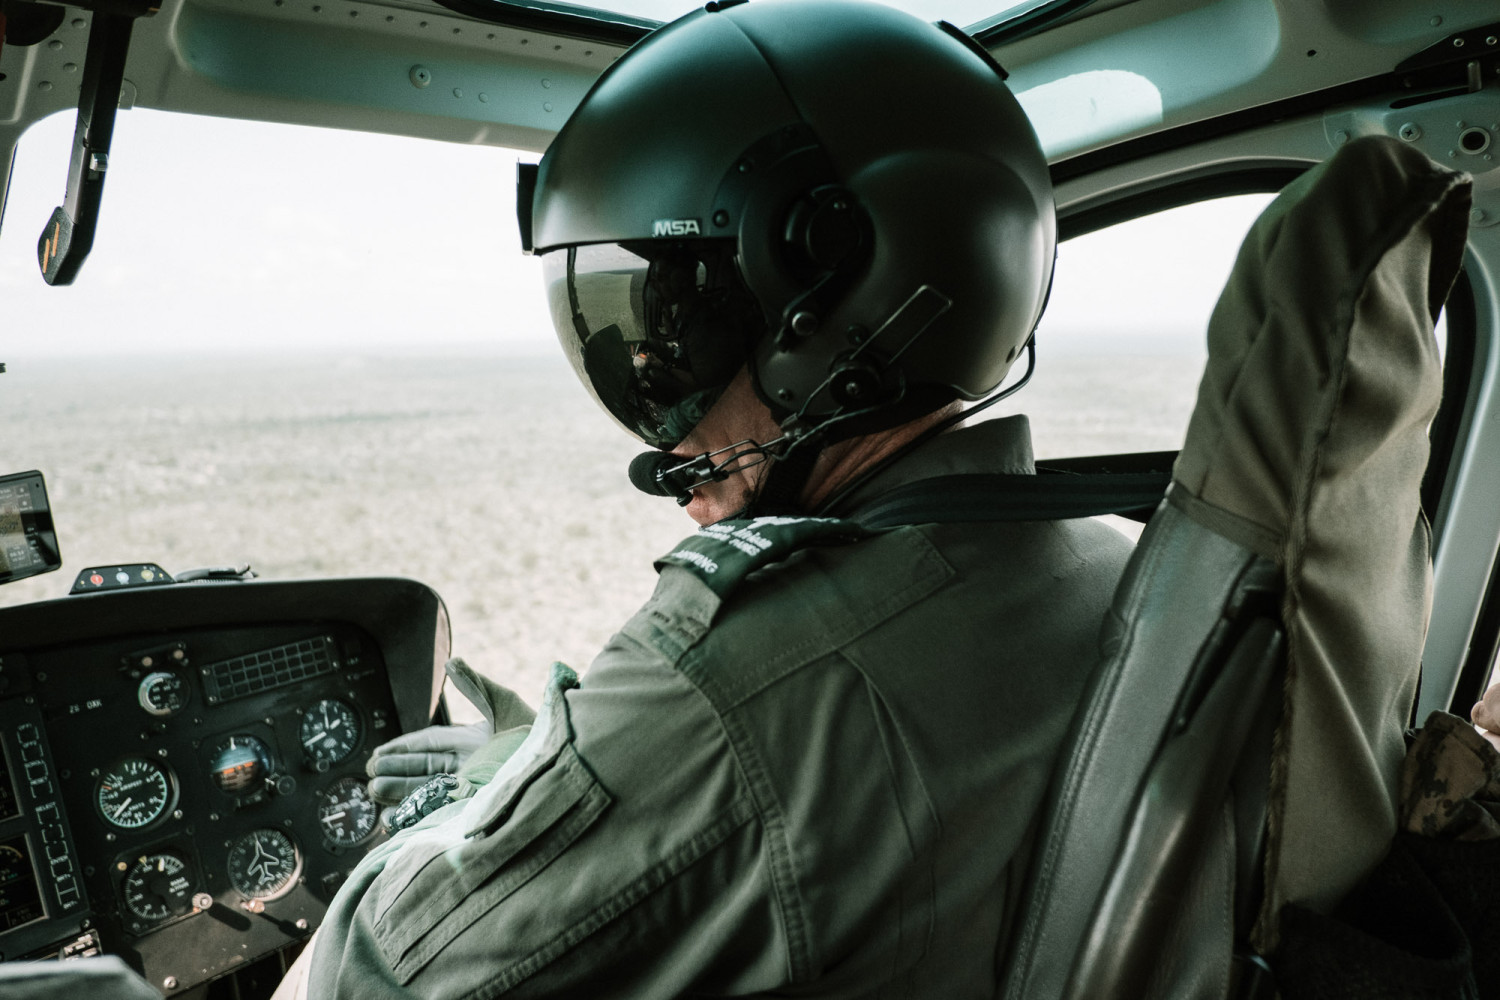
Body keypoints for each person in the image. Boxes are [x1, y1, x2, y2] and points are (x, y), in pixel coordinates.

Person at [280, 2, 1134, 996]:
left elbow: (375, 974)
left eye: (673, 346)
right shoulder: (1114, 557)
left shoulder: (728, 688)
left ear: (820, 310)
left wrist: (502, 796)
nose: (662, 422)